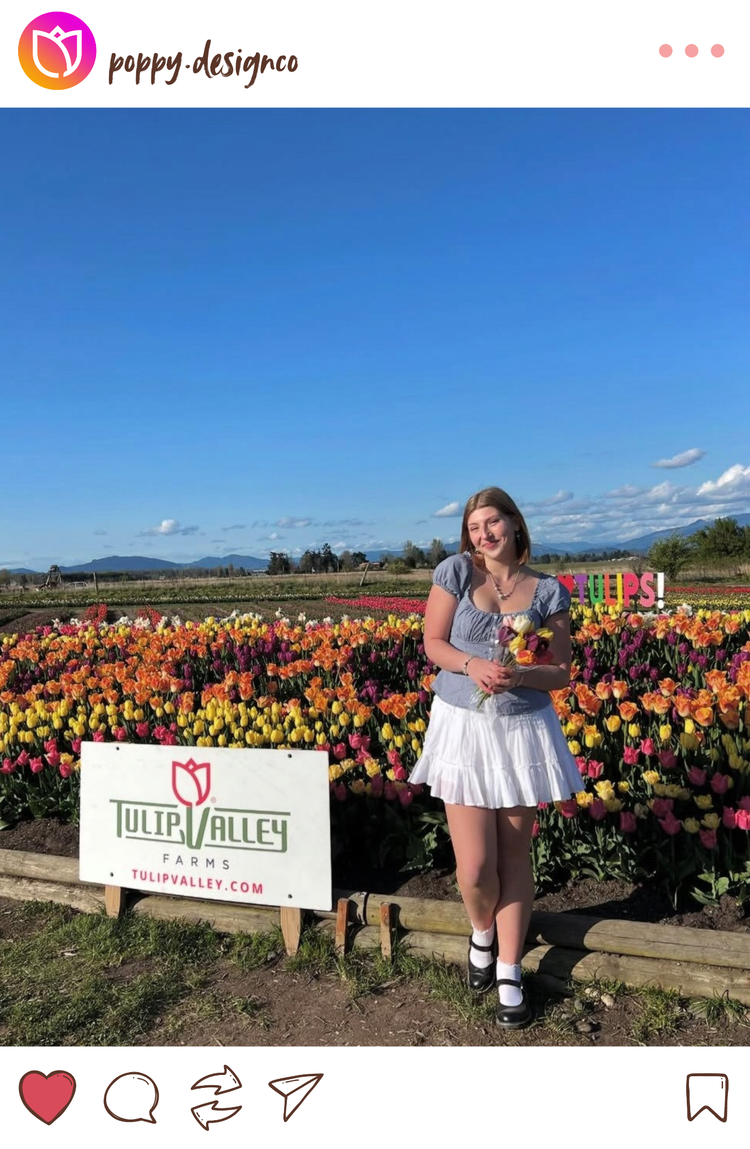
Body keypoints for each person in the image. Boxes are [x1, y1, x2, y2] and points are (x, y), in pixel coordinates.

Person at [408, 486, 581, 1029]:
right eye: (476, 526)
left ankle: (510, 968)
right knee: (475, 866)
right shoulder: (456, 573)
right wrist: (471, 666)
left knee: (513, 855)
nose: (485, 534)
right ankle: (481, 930)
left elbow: (561, 672)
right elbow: (433, 643)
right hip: (463, 728)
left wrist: (521, 674)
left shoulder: (549, 591)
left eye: (494, 523)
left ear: (515, 524)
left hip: (523, 729)